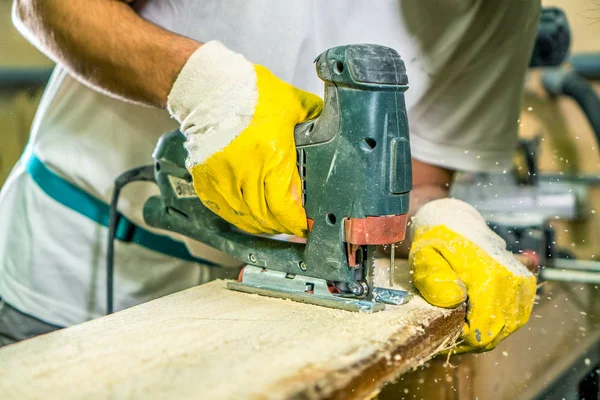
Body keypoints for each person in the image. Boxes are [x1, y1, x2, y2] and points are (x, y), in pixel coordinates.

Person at [0, 0, 539, 353]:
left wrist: (439, 218)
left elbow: (411, 173)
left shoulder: (501, 10)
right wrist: (201, 85)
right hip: (63, 267)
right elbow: (43, 7)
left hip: (252, 319)